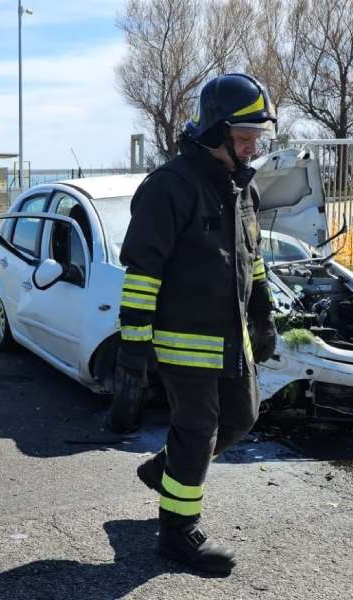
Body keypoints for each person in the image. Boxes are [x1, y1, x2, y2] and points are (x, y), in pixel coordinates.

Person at [114, 73, 279, 574]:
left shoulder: (241, 187)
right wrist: (134, 348)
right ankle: (178, 534)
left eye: (256, 137)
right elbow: (142, 273)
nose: (252, 147)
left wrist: (264, 314)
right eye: (244, 136)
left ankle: (164, 469)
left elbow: (252, 260)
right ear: (214, 131)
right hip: (184, 341)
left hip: (231, 339)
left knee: (242, 418)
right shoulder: (170, 187)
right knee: (198, 428)